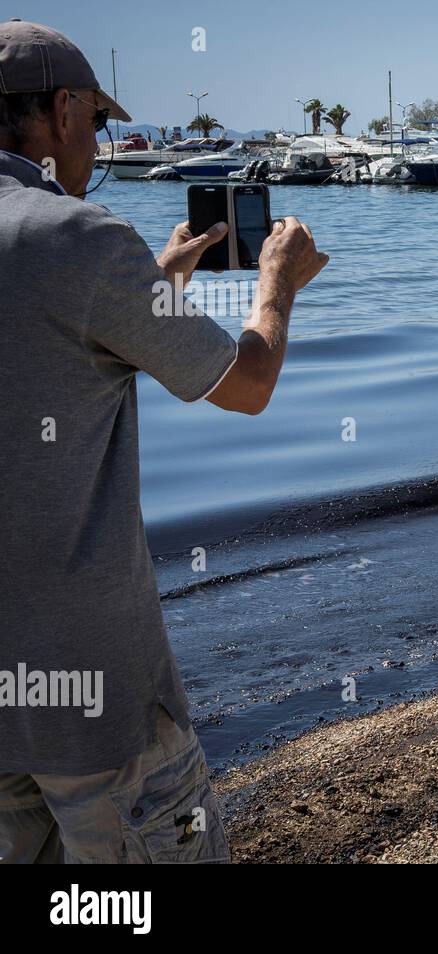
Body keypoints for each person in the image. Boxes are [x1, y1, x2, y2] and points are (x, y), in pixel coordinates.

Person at [0, 20, 328, 862]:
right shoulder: (77, 235)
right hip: (95, 703)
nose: (96, 145)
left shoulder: (70, 252)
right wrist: (277, 284)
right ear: (62, 111)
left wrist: (153, 285)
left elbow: (49, 356)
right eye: (97, 123)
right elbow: (248, 384)